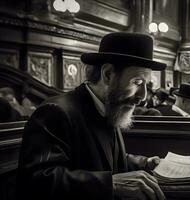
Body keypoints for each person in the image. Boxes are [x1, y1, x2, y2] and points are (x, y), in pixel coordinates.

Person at [17, 32, 166, 200]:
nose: (144, 95)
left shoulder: (110, 106)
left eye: (146, 85)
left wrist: (145, 163)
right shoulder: (55, 112)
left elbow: (102, 159)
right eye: (137, 83)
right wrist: (111, 184)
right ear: (108, 74)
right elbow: (37, 181)